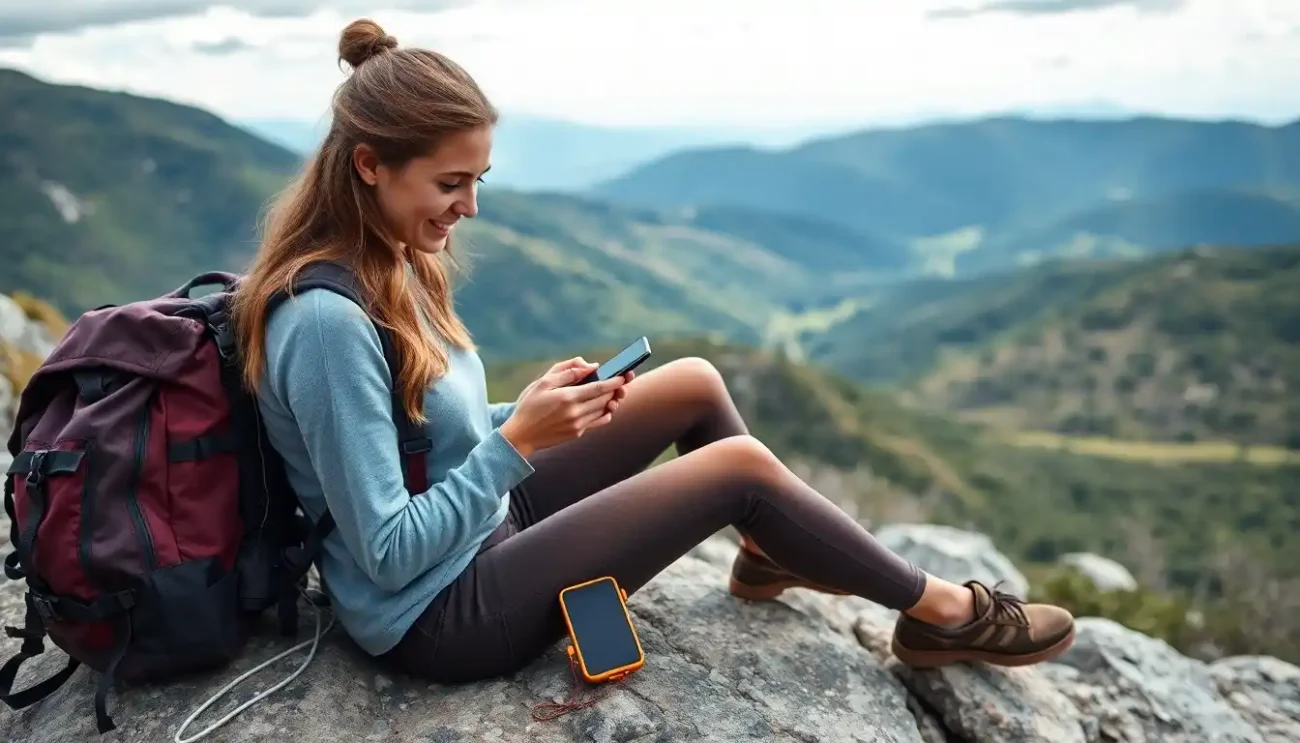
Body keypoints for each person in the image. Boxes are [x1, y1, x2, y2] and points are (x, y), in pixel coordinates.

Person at [229, 18, 1076, 686]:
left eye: (479, 179)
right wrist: (517, 442)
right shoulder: (327, 324)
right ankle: (942, 612)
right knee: (737, 468)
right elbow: (387, 549)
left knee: (694, 386)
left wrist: (530, 415)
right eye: (451, 184)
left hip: (482, 527)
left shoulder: (395, 260)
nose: (470, 208)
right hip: (436, 611)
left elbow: (422, 436)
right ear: (371, 166)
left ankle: (769, 549)